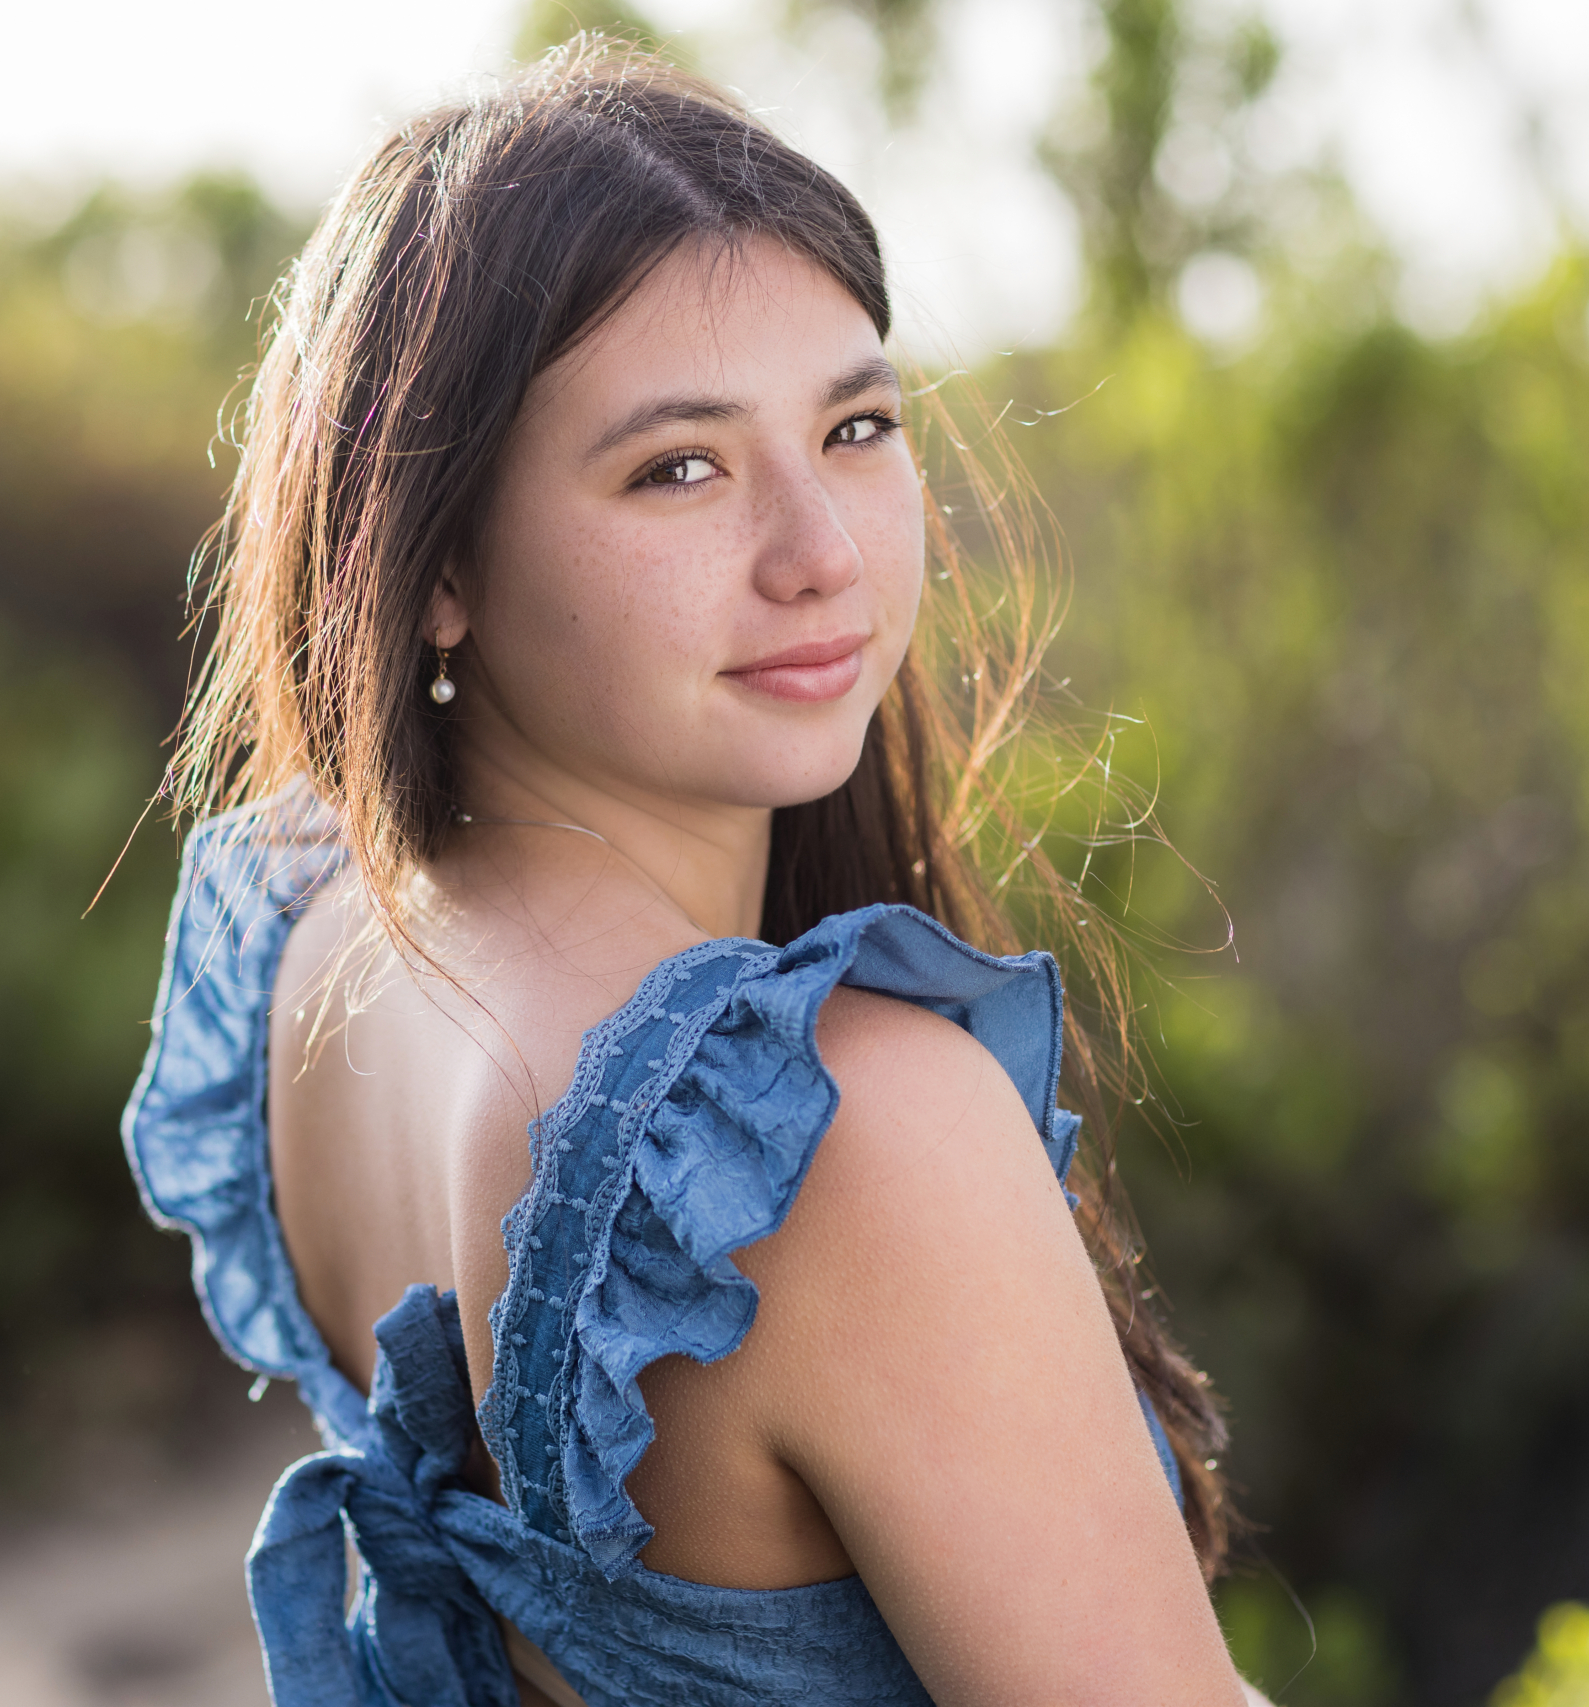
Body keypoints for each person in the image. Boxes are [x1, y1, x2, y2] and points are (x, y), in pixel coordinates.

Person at [123, 36, 1263, 1707]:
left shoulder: (321, 932)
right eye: (680, 467)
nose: (820, 555)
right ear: (431, 564)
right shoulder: (842, 1135)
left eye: (857, 426)